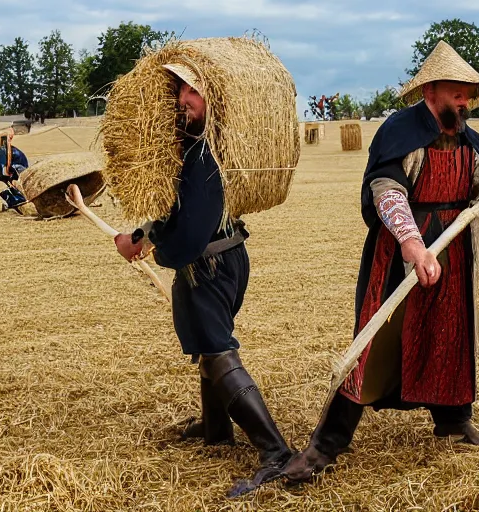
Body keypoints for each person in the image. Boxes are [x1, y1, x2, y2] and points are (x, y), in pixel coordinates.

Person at [282, 41, 479, 482]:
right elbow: (386, 188)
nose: (465, 102)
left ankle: (453, 419)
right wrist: (411, 241)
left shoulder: (466, 137)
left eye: (468, 95)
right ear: (432, 91)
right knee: (375, 341)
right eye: (458, 93)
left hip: (455, 251)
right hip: (403, 254)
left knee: (451, 333)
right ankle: (327, 443)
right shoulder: (399, 132)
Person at [113, 63, 293, 498]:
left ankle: (276, 452)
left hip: (208, 264)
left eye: (193, 91)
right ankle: (216, 429)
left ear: (212, 96)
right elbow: (175, 210)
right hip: (224, 256)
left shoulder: (203, 155)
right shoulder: (197, 146)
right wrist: (142, 237)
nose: (183, 100)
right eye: (180, 91)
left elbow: (191, 233)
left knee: (216, 351)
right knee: (206, 341)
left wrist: (154, 249)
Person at [0, 129, 29, 210]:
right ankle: (12, 200)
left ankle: (9, 202)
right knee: (15, 184)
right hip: (10, 169)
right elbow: (7, 160)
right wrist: (7, 169)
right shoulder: (4, 151)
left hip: (9, 168)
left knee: (14, 185)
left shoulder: (3, 151)